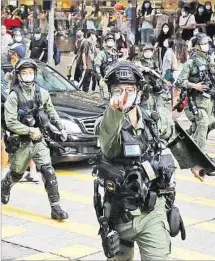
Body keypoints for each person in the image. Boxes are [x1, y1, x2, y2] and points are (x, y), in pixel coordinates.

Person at [93, 60, 186, 261]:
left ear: (139, 92)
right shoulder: (106, 123)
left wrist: (196, 164)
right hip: (119, 213)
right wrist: (115, 111)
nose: (124, 94)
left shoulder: (151, 120)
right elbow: (108, 134)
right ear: (110, 93)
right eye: (118, 90)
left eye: (130, 89)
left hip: (152, 211)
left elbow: (172, 134)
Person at [1, 58, 68, 220]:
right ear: (19, 75)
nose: (28, 76)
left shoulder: (42, 93)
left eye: (31, 73)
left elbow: (51, 112)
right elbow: (10, 121)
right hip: (21, 142)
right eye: (24, 73)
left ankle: (56, 207)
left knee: (48, 172)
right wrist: (30, 130)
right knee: (17, 173)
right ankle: (5, 186)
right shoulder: (13, 97)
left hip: (39, 142)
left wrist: (61, 128)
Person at [175, 33, 215, 154]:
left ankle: (192, 133)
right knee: (202, 123)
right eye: (203, 44)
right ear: (196, 46)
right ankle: (202, 156)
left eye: (207, 43)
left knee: (204, 126)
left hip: (210, 100)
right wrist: (195, 85)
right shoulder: (191, 63)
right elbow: (179, 82)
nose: (206, 46)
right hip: (195, 101)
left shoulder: (210, 60)